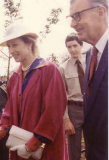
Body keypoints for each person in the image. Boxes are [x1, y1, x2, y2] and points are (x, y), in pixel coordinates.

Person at [0, 23, 68, 160]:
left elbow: (53, 113)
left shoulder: (49, 70)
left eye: (15, 45)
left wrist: (31, 146)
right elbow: (9, 114)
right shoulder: (15, 76)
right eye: (9, 46)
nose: (10, 50)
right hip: (20, 149)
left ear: (29, 44)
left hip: (45, 150)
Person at [68, 0, 108, 159]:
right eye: (71, 17)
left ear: (100, 12)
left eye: (77, 16)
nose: (72, 24)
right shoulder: (91, 55)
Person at [59, 33, 85, 160]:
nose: (73, 49)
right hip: (74, 109)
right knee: (74, 149)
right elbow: (61, 96)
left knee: (96, 144)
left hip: (91, 108)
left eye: (75, 45)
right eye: (69, 47)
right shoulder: (63, 68)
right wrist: (66, 119)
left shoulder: (91, 62)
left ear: (81, 45)